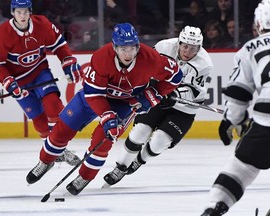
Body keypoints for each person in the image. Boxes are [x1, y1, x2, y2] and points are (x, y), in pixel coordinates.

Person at [26, 23, 183, 196]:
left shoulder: (151, 59)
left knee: (105, 139)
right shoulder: (101, 58)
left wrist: (154, 94)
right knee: (61, 130)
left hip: (125, 103)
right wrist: (107, 116)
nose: (128, 53)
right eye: (123, 48)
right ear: (115, 47)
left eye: (132, 48)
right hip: (94, 98)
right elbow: (94, 94)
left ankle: (85, 176)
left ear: (138, 46)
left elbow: (176, 74)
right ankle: (45, 161)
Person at [103, 26, 214, 186]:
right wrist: (151, 83)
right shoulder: (164, 47)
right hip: (158, 97)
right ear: (179, 42)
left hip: (184, 108)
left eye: (193, 48)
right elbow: (144, 64)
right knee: (140, 132)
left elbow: (193, 91)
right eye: (185, 46)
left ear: (200, 47)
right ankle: (121, 167)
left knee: (159, 142)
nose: (188, 51)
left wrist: (176, 95)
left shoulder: (204, 64)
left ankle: (140, 160)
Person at [0, 0, 81, 165]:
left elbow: (59, 44)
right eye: (18, 12)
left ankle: (57, 148)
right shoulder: (1, 34)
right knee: (40, 123)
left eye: (25, 12)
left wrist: (68, 61)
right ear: (12, 13)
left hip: (40, 73)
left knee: (54, 106)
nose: (22, 16)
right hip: (19, 82)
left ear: (30, 12)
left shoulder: (42, 24)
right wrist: (9, 82)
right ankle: (55, 151)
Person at [200, 2, 270, 215]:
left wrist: (233, 119)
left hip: (267, 118)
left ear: (258, 23)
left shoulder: (250, 47)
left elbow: (239, 93)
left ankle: (213, 208)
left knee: (241, 169)